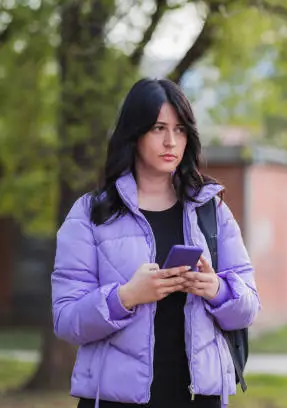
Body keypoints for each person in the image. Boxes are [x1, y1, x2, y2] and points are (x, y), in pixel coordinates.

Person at [51, 78, 261, 408]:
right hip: (116, 401)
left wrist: (215, 289)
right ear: (134, 134)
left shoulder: (211, 209)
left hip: (198, 398)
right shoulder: (89, 214)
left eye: (179, 130)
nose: (170, 141)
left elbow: (249, 307)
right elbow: (66, 320)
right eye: (158, 128)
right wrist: (127, 297)